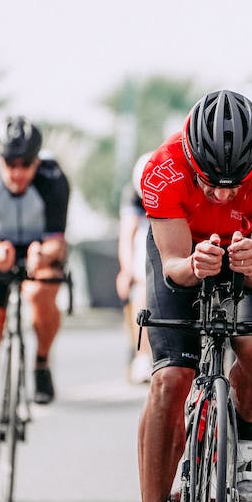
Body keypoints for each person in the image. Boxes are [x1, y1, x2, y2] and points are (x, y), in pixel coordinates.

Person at [128, 90, 252, 502]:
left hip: (248, 258)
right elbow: (173, 268)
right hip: (187, 257)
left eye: (236, 184)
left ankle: (248, 430)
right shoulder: (162, 170)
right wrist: (193, 262)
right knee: (169, 380)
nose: (224, 194)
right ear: (190, 158)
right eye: (210, 183)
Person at [0, 116, 70, 472]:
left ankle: (40, 361)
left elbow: (58, 242)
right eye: (10, 163)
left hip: (39, 249)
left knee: (42, 291)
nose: (18, 172)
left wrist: (43, 255)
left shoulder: (53, 178)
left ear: (37, 161)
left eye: (26, 164)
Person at [116, 153, 153, 384]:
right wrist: (127, 271)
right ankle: (142, 355)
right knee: (141, 288)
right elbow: (127, 234)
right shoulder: (132, 195)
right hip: (145, 237)